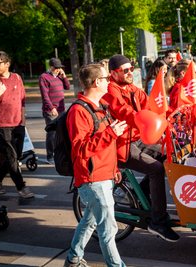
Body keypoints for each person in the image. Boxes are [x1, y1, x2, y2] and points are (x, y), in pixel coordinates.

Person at [103, 54, 180, 242]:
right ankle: (157, 221)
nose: (130, 72)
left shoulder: (132, 88)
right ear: (114, 73)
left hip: (138, 139)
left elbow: (152, 105)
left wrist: (174, 115)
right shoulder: (110, 91)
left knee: (168, 155)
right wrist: (144, 119)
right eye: (125, 70)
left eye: (131, 69)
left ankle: (144, 194)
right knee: (156, 169)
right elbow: (125, 112)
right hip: (123, 144)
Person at [64, 64, 127, 267]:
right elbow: (80, 149)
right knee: (108, 230)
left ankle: (73, 259)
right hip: (92, 180)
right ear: (97, 82)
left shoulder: (99, 108)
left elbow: (104, 147)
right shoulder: (78, 111)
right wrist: (111, 133)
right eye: (106, 78)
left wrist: (113, 169)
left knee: (89, 221)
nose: (109, 81)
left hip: (103, 175)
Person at [0, 51, 34, 198]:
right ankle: (21, 187)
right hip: (1, 125)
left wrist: (23, 121)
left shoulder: (17, 78)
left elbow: (22, 101)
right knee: (11, 157)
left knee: (16, 156)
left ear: (7, 64)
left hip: (18, 124)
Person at [39, 58, 70, 164]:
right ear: (51, 67)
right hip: (50, 111)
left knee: (61, 132)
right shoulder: (44, 77)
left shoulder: (60, 77)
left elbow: (67, 87)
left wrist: (64, 77)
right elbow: (45, 95)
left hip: (61, 109)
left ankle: (60, 153)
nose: (58, 69)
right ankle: (50, 156)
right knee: (52, 133)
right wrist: (52, 107)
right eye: (56, 68)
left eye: (60, 68)